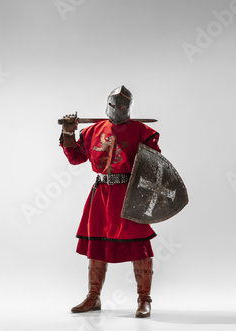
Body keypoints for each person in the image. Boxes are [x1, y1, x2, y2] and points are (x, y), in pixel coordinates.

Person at [59, 85, 161, 318]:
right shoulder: (93, 130)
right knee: (96, 245)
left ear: (129, 107)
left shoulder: (141, 131)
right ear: (107, 104)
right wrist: (68, 132)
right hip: (101, 193)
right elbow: (76, 158)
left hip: (129, 193)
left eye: (123, 106)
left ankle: (144, 299)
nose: (117, 109)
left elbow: (154, 165)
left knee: (139, 245)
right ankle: (93, 297)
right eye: (114, 105)